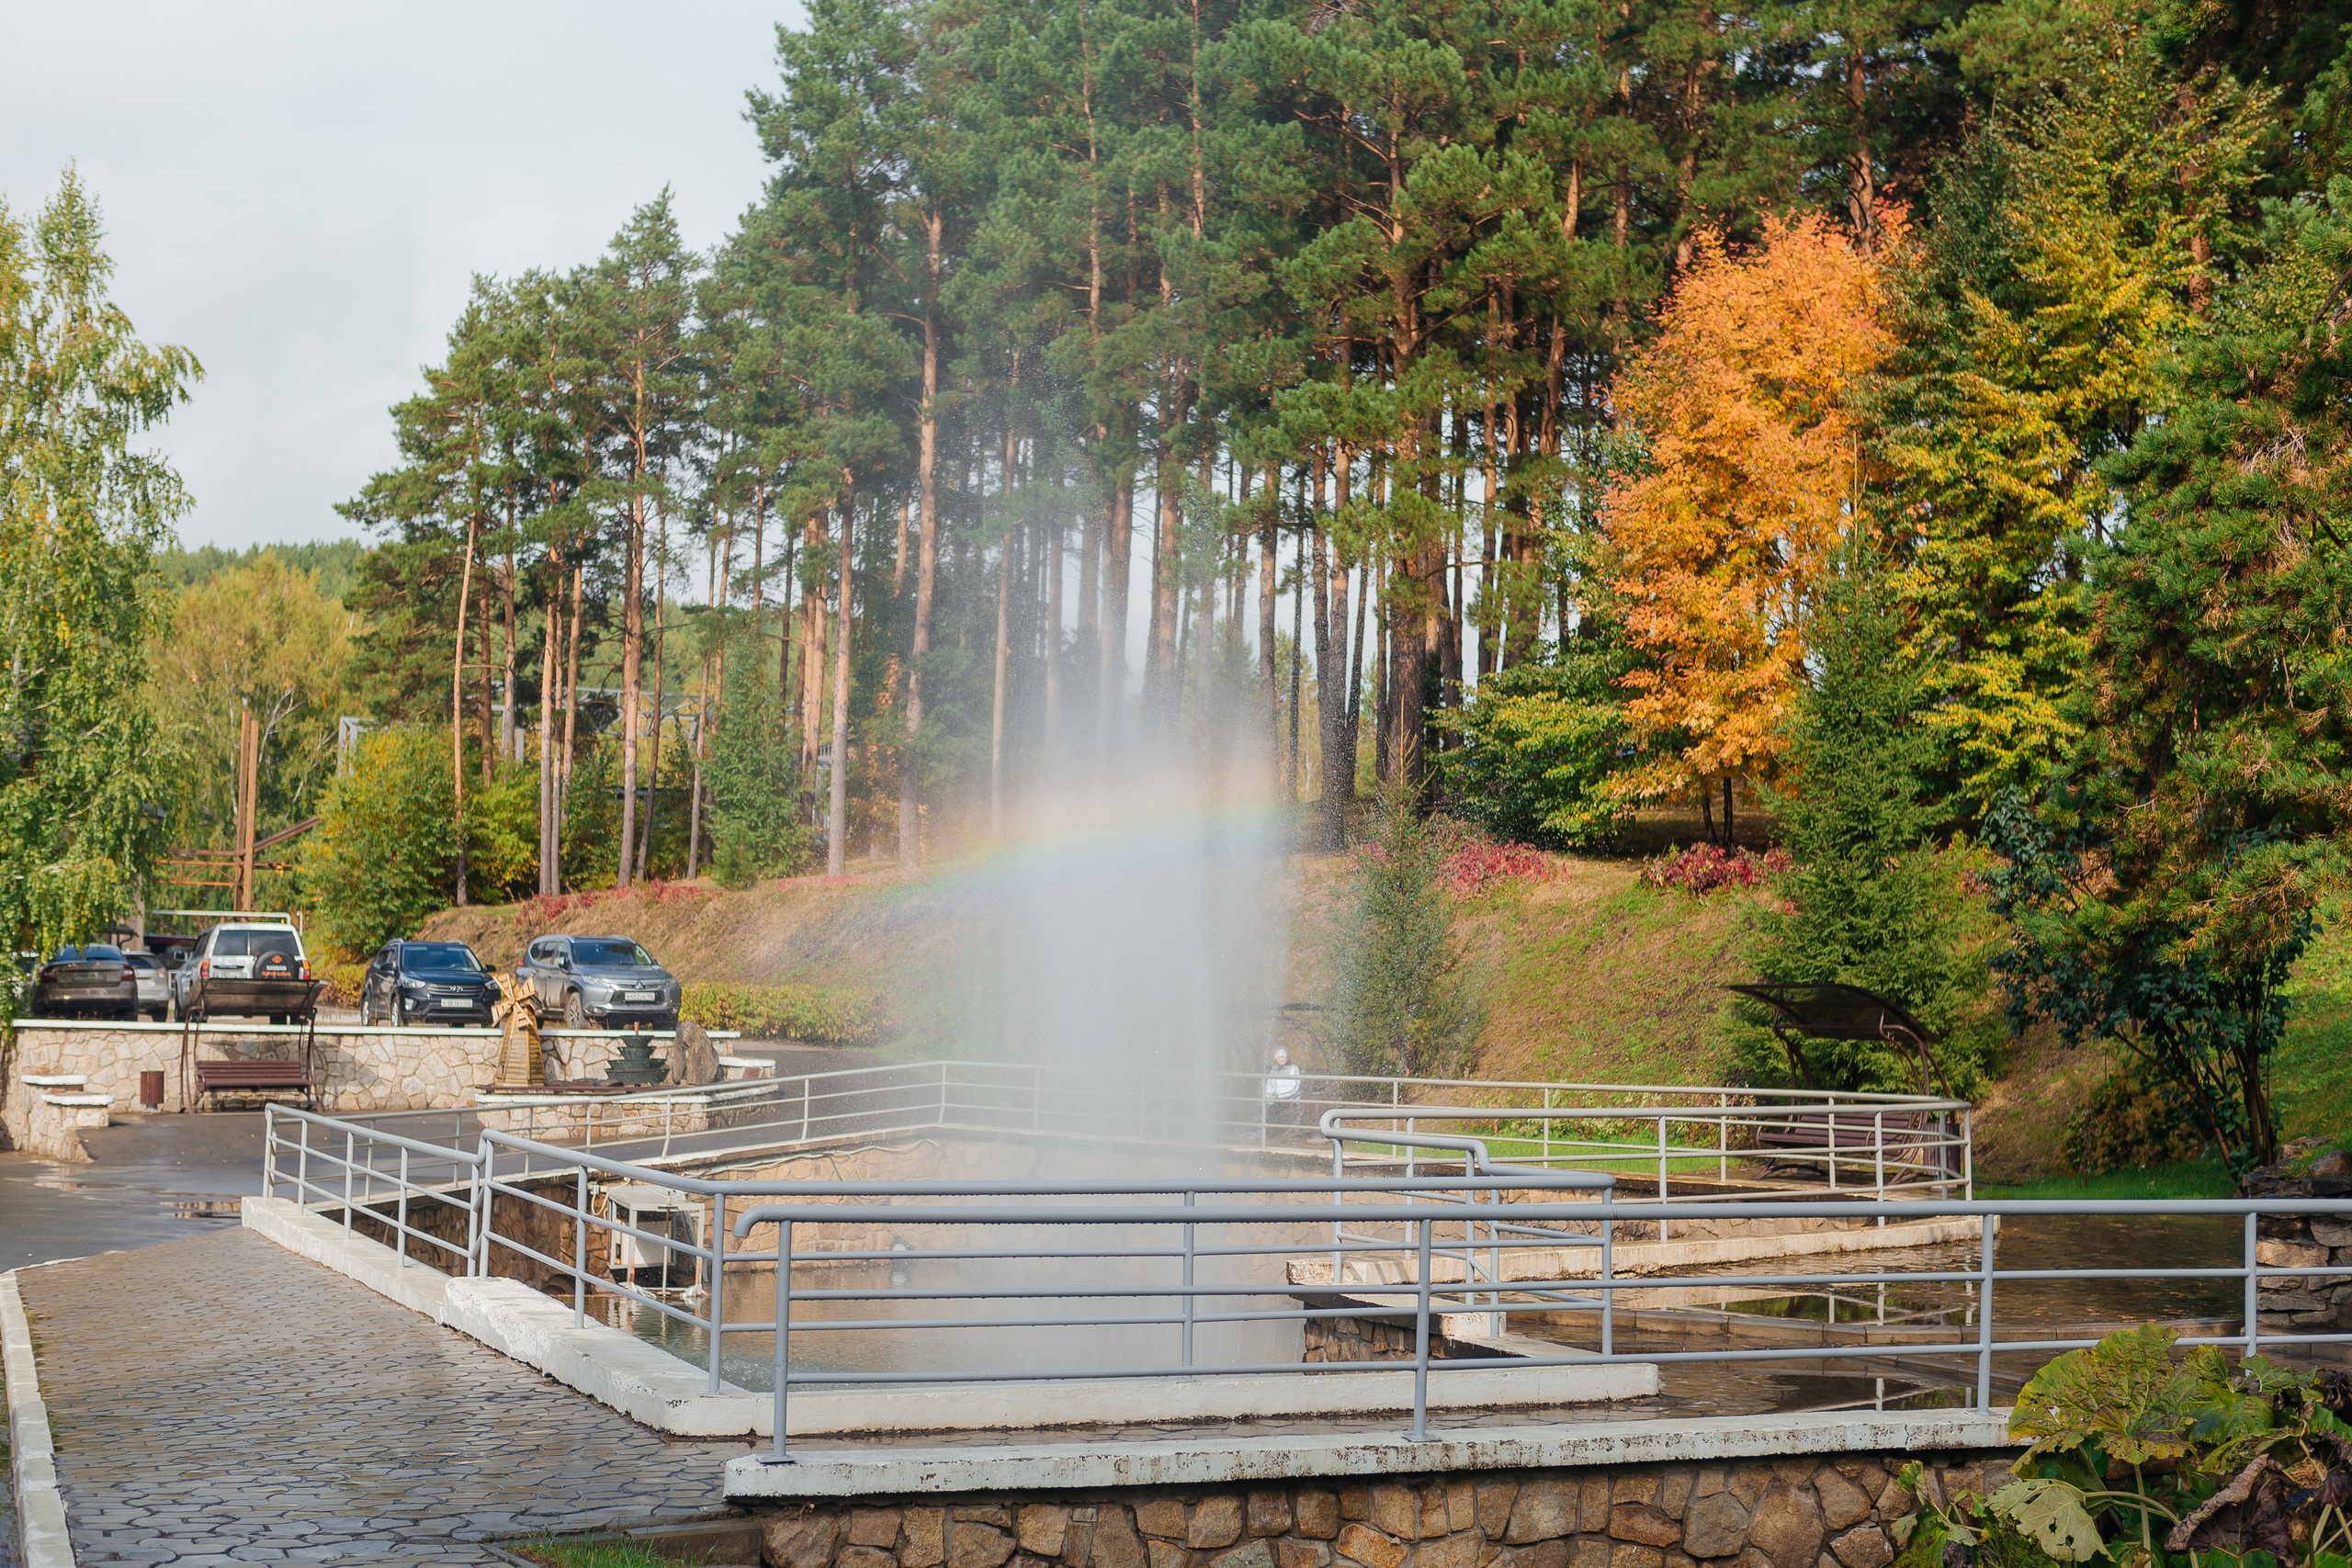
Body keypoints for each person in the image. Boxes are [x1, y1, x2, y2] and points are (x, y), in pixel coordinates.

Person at [1264, 1048, 1304, 1127]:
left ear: (1287, 1058)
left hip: (1289, 1099)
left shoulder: (1293, 1068)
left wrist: (1277, 1095)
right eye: (1279, 1057)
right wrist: (1269, 1095)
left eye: (1283, 1056)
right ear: (1276, 1059)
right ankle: (1258, 1128)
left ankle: (1267, 1131)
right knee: (1261, 1106)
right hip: (1274, 1098)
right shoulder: (1273, 1070)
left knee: (1272, 1109)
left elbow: (1294, 1088)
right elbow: (1269, 1085)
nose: (1281, 1059)